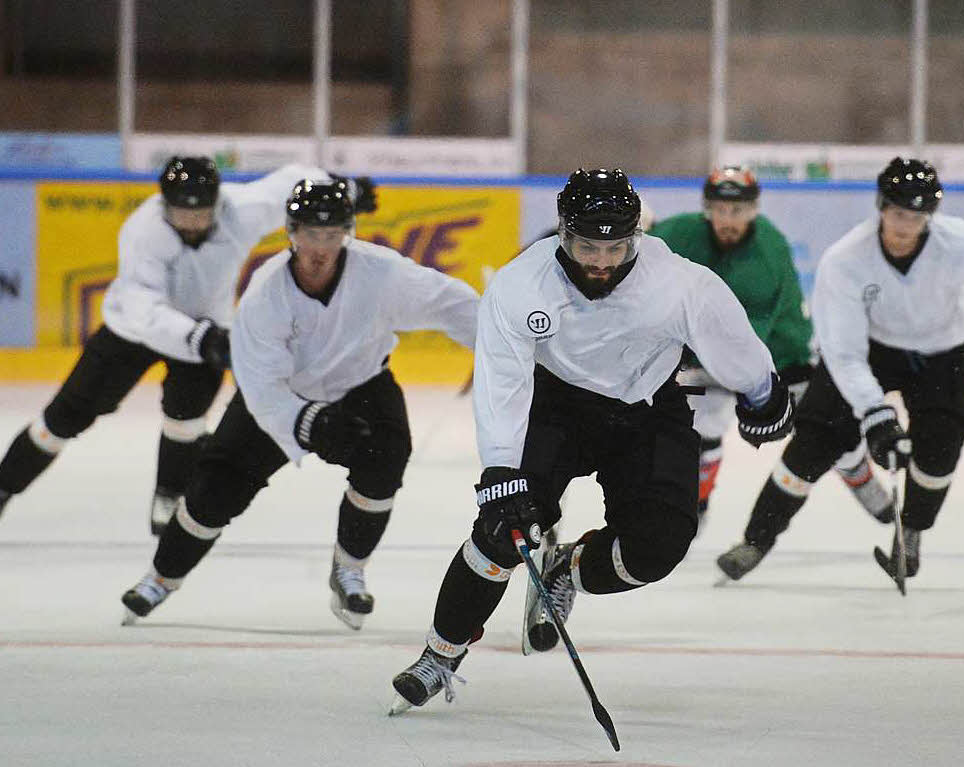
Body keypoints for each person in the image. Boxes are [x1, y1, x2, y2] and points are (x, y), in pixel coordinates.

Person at [389, 168, 794, 711]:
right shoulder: (519, 284)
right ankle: (440, 654)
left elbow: (729, 337)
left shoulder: (677, 282)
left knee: (660, 545)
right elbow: (501, 380)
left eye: (615, 246)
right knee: (501, 531)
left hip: (649, 411)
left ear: (636, 237)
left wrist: (763, 395)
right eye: (586, 245)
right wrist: (502, 469)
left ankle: (567, 569)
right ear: (562, 233)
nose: (600, 261)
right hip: (554, 407)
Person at [119, 178, 479, 629]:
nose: (321, 248)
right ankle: (161, 577)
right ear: (291, 233)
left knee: (386, 461)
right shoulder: (265, 294)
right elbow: (260, 385)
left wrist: (506, 352)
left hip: (362, 387)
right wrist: (307, 422)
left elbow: (454, 305)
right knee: (216, 487)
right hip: (279, 396)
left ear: (348, 232)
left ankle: (349, 569)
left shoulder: (382, 273)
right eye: (310, 233)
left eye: (332, 235)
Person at [0, 157, 374, 535]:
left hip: (208, 330)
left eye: (202, 213)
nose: (193, 222)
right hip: (133, 332)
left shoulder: (239, 211)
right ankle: (3, 485)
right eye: (182, 213)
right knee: (63, 418)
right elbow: (145, 309)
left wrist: (345, 190)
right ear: (164, 205)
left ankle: (169, 494)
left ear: (218, 204)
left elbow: (290, 183)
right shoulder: (143, 232)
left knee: (187, 419)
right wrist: (202, 339)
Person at [716, 157, 964, 583]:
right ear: (881, 206)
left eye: (917, 217)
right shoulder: (846, 260)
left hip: (943, 356)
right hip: (871, 352)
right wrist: (876, 416)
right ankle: (757, 539)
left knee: (940, 449)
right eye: (898, 214)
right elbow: (843, 352)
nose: (905, 226)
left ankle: (911, 533)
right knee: (815, 439)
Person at [648, 166, 892, 530]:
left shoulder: (767, 253)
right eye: (720, 210)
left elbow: (744, 342)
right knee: (700, 422)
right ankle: (694, 502)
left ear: (754, 211)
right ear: (706, 209)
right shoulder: (679, 233)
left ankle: (857, 473)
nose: (728, 220)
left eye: (738, 211)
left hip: (779, 351)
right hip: (704, 349)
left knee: (820, 427)